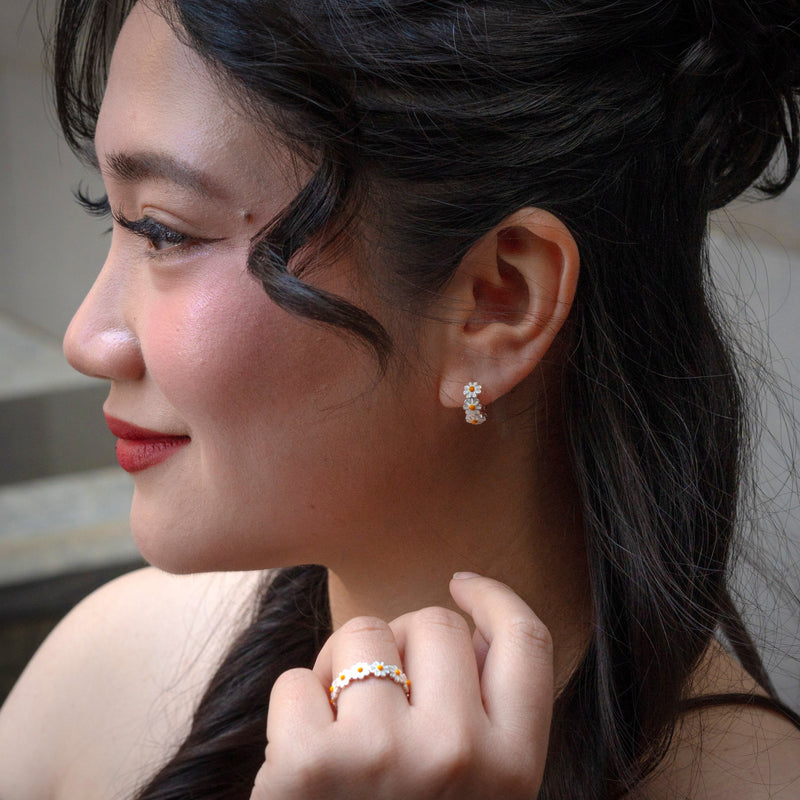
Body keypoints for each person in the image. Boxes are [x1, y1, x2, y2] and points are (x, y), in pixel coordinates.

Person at [1, 0, 799, 796]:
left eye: (165, 231)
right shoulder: (109, 672)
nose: (87, 336)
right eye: (113, 214)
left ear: (496, 304)